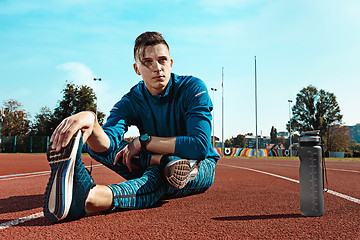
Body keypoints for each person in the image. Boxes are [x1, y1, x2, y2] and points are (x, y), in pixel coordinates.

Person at [43, 31, 219, 222]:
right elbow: (109, 141)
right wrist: (92, 122)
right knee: (95, 146)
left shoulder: (192, 87)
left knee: (167, 171)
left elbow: (199, 146)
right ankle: (158, 161)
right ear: (137, 68)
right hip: (152, 158)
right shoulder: (132, 100)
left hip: (198, 165)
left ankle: (92, 198)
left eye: (162, 60)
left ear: (171, 63)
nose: (157, 68)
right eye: (148, 62)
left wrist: (144, 142)